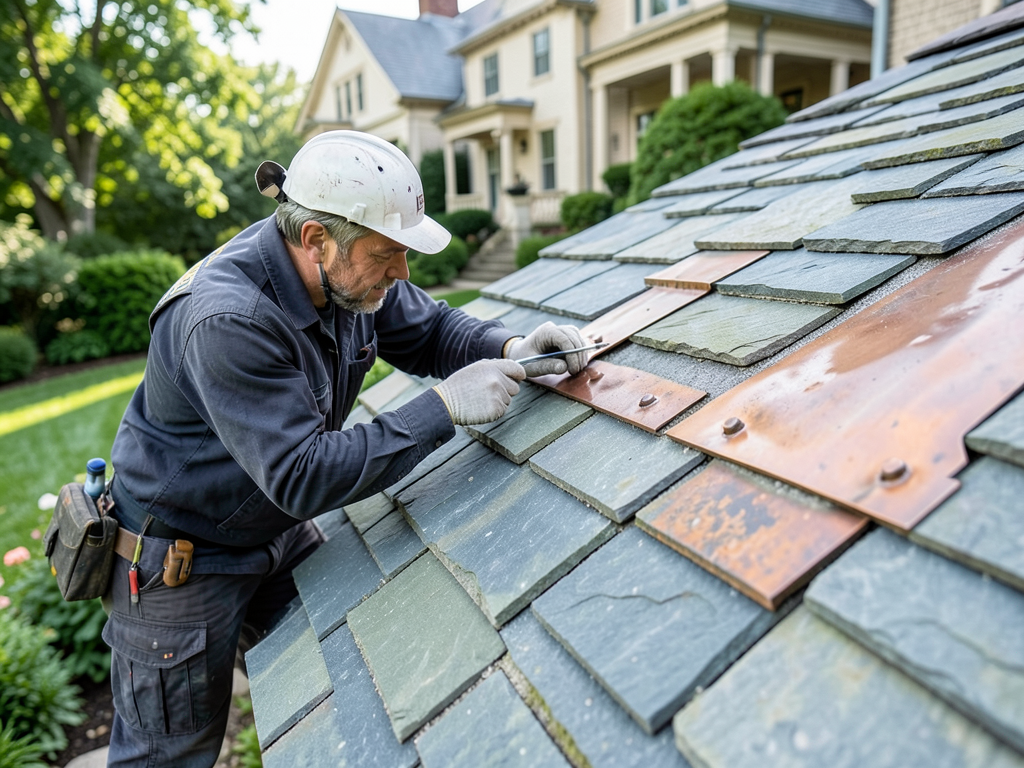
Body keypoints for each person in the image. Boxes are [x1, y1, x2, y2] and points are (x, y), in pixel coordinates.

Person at [100, 130, 588, 767]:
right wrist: (442, 408)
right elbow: (302, 473)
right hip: (179, 563)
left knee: (347, 692)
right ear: (314, 240)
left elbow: (433, 328)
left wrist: (510, 348)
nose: (402, 272)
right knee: (165, 757)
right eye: (389, 253)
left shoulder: (348, 277)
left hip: (272, 531)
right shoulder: (227, 319)